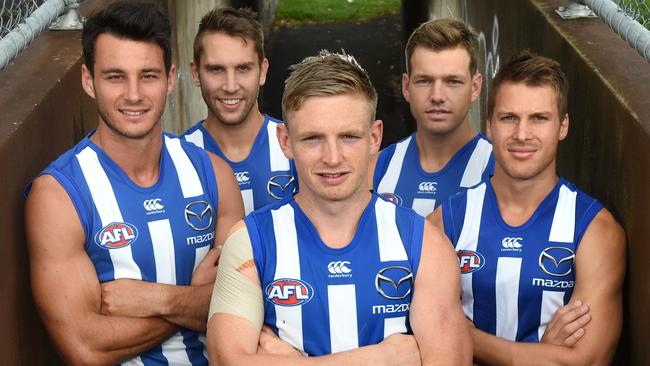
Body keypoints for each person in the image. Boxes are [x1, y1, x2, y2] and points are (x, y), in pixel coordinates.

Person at [206, 50, 471, 365]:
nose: (332, 158)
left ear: (374, 138)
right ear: (285, 140)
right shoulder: (250, 242)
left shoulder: (424, 244)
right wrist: (381, 359)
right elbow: (227, 361)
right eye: (313, 139)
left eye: (348, 137)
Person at [24, 2, 244, 365]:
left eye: (148, 75)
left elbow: (244, 308)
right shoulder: (59, 195)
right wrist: (197, 299)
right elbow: (86, 348)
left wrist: (158, 299)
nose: (134, 94)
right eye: (115, 76)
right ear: (87, 80)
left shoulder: (214, 175)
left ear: (171, 79)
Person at [428, 51, 625, 365]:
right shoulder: (446, 223)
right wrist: (541, 352)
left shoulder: (595, 231)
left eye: (539, 118)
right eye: (509, 118)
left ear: (562, 126)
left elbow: (586, 362)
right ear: (489, 125)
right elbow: (420, 341)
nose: (522, 135)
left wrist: (468, 338)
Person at [373, 18, 494, 217]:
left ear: (475, 88)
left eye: (453, 82)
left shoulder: (499, 170)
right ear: (406, 87)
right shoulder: (377, 168)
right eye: (424, 81)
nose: (437, 96)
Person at [182, 7, 296, 215]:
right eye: (216, 69)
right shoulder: (178, 158)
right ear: (196, 74)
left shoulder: (297, 147)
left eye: (243, 68)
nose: (231, 85)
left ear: (263, 71)